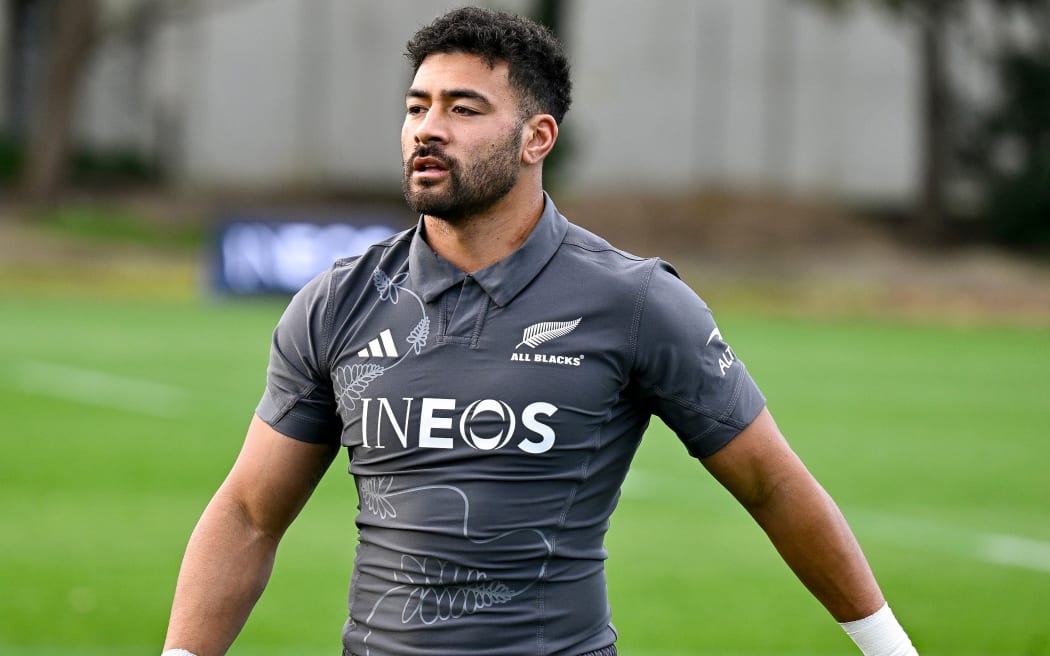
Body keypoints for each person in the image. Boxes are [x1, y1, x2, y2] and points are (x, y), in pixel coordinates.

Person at [163, 7, 919, 656]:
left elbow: (770, 480)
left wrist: (890, 648)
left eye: (464, 109)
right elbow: (250, 512)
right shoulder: (339, 301)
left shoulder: (635, 301)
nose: (428, 129)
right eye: (417, 105)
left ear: (537, 138)